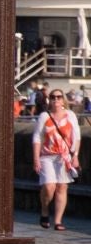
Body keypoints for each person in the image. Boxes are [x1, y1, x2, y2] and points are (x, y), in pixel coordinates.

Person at [34, 88, 80, 230]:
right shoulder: (44, 116)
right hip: (47, 156)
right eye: (53, 97)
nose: (56, 99)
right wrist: (36, 158)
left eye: (59, 97)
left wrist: (75, 156)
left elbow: (76, 137)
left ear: (63, 99)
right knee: (49, 186)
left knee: (61, 187)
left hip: (64, 157)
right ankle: (45, 211)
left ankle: (58, 221)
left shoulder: (70, 115)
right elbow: (37, 137)